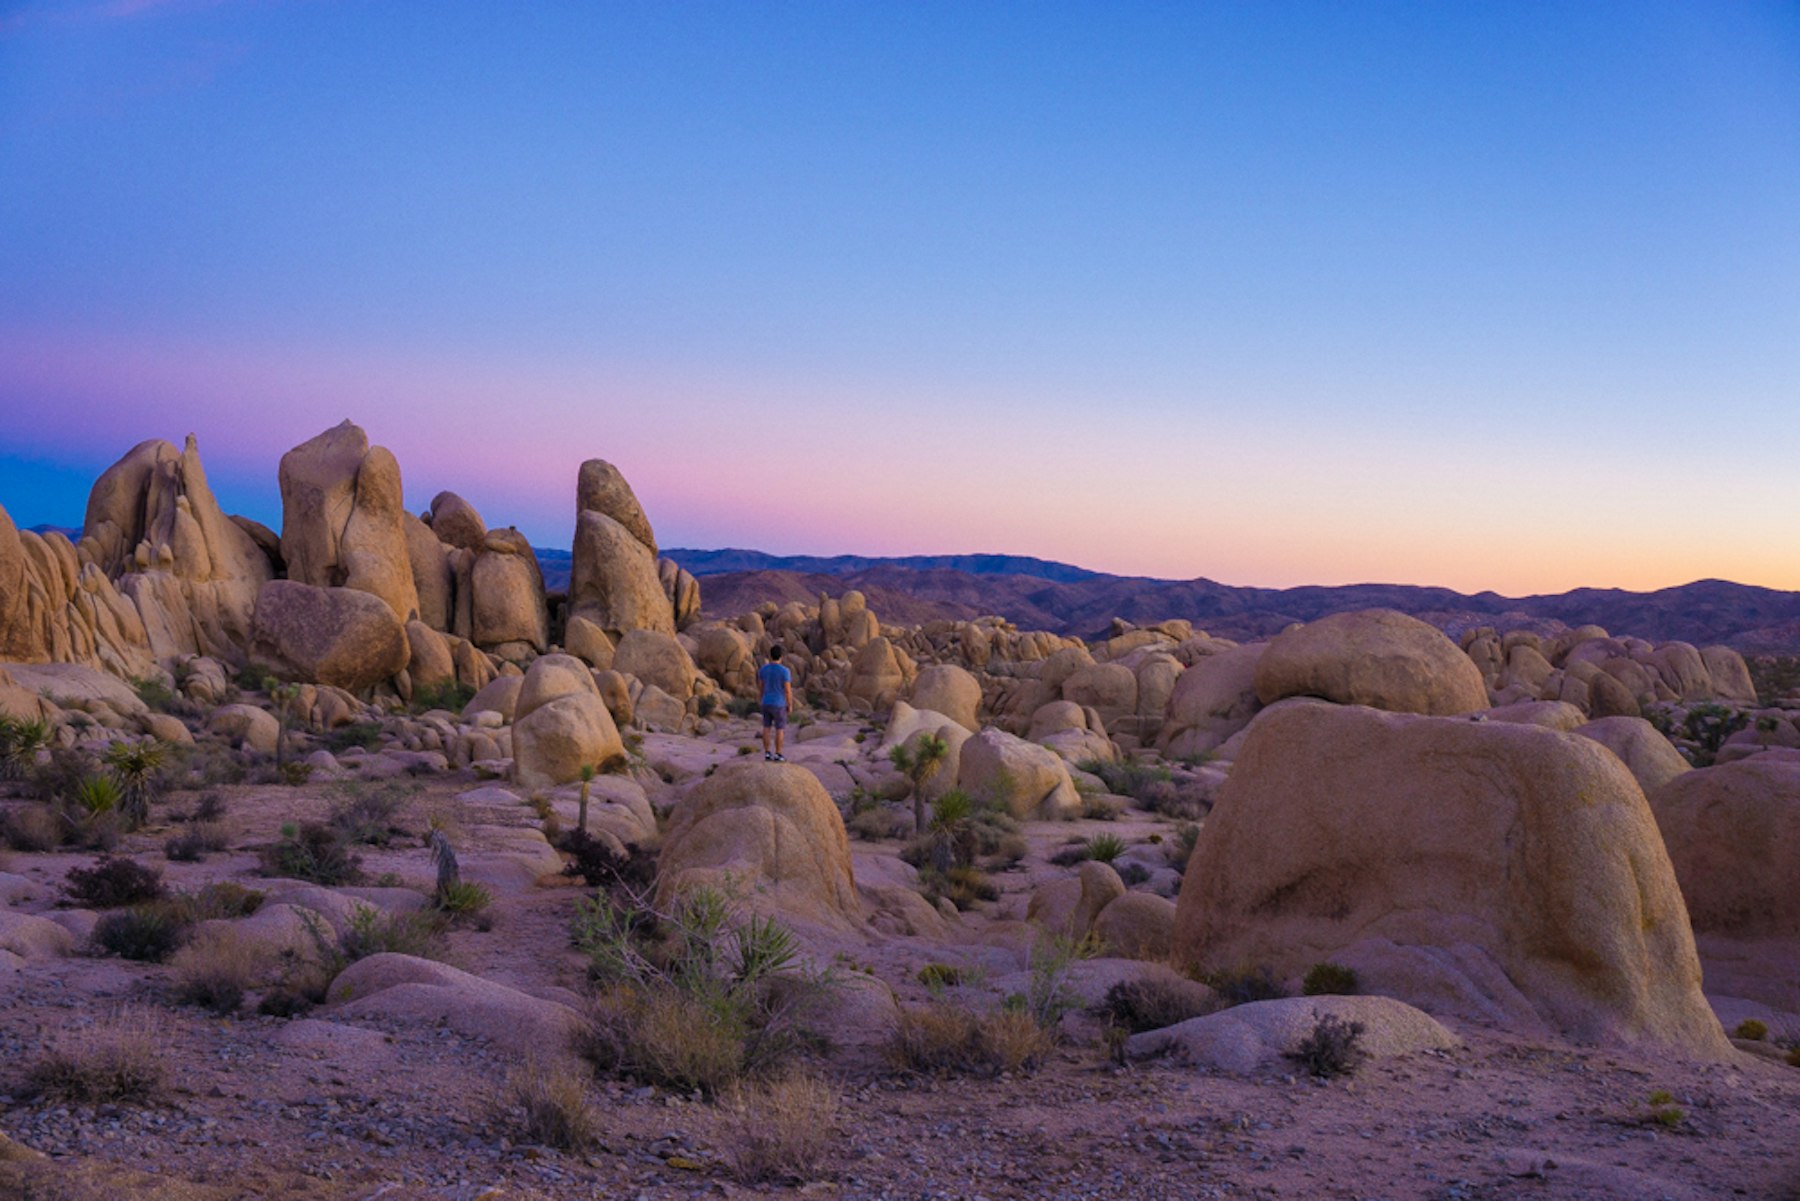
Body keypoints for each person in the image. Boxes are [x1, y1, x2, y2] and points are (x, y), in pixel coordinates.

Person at [757, 644, 795, 761]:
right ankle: (778, 754)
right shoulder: (785, 671)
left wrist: (760, 699)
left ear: (770, 656)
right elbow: (787, 690)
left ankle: (767, 753)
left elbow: (761, 687)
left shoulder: (763, 669)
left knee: (766, 727)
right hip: (779, 703)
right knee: (780, 728)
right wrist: (790, 704)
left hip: (766, 702)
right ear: (781, 656)